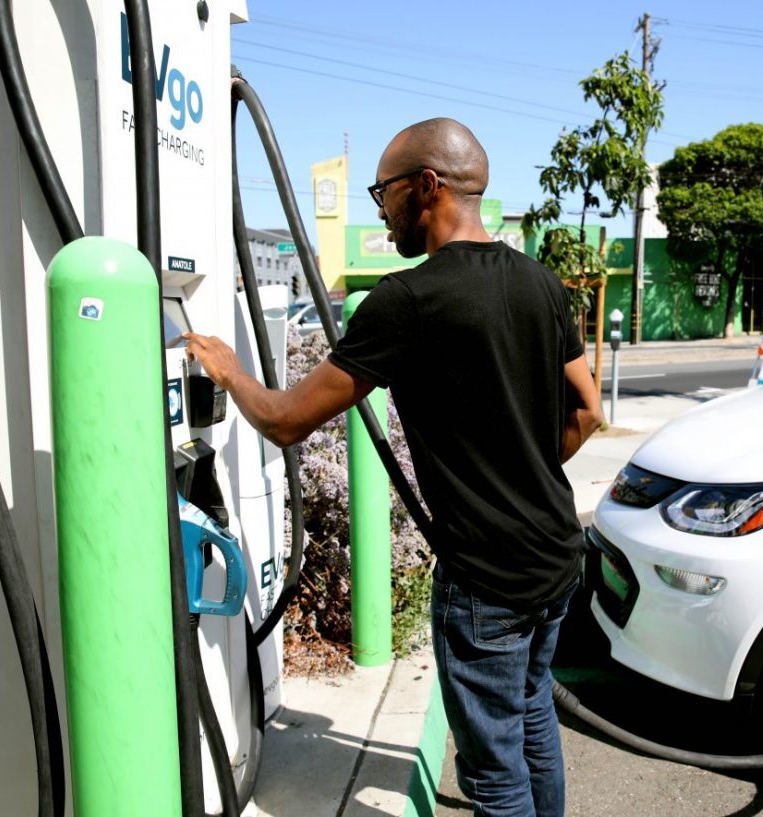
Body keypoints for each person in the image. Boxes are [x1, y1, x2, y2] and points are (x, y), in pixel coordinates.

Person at [185, 117, 603, 817]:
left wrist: (229, 373)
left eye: (384, 192)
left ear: (427, 186)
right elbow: (587, 410)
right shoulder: (541, 283)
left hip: (487, 581)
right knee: (533, 722)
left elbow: (287, 420)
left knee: (495, 771)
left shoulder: (405, 301)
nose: (380, 208)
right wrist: (523, 467)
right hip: (556, 556)